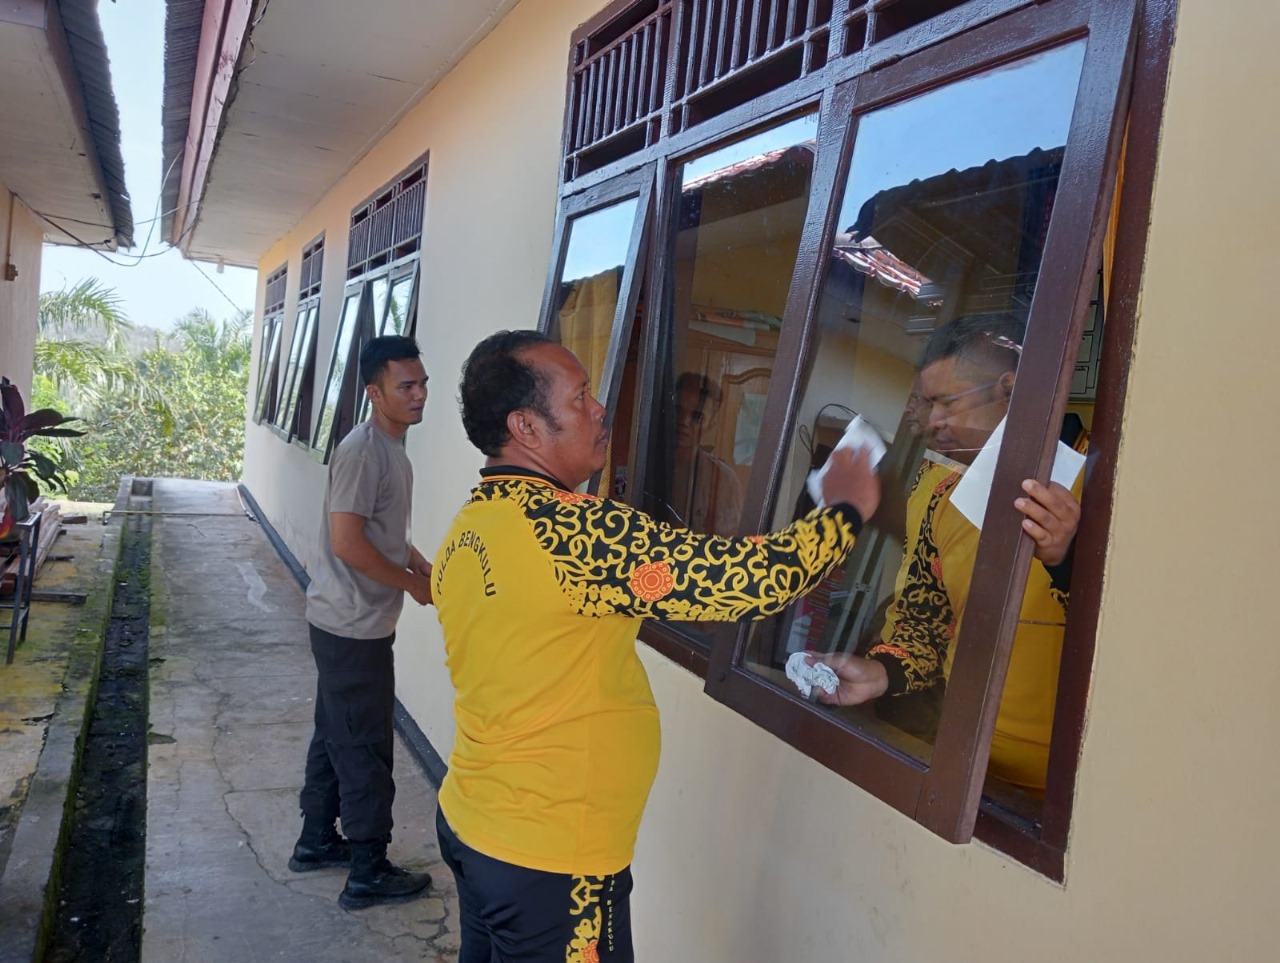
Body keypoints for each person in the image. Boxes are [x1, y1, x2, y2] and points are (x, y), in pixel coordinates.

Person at [431, 330, 880, 961]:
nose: (600, 410)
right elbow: (749, 581)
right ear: (525, 427)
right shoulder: (574, 533)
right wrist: (844, 512)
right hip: (551, 858)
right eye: (580, 397)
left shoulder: (472, 523)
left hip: (475, 822)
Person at [812, 315, 1081, 791]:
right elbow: (923, 615)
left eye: (947, 402)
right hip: (965, 757)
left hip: (1068, 783)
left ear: (1009, 390)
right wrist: (881, 672)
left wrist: (1068, 559)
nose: (933, 421)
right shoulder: (936, 486)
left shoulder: (1092, 475)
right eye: (929, 403)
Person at [289, 334, 435, 911]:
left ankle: (316, 840)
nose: (419, 394)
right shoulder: (362, 451)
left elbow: (375, 528)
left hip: (350, 621)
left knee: (336, 731)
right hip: (352, 626)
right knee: (365, 746)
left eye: (422, 383)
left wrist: (412, 559)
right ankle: (368, 871)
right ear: (375, 393)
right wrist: (412, 585)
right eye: (407, 386)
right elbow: (348, 542)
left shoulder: (390, 447)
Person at [670, 371, 743, 535]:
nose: (684, 422)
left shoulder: (723, 480)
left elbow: (727, 542)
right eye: (678, 411)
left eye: (697, 417)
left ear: (711, 423)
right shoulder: (640, 460)